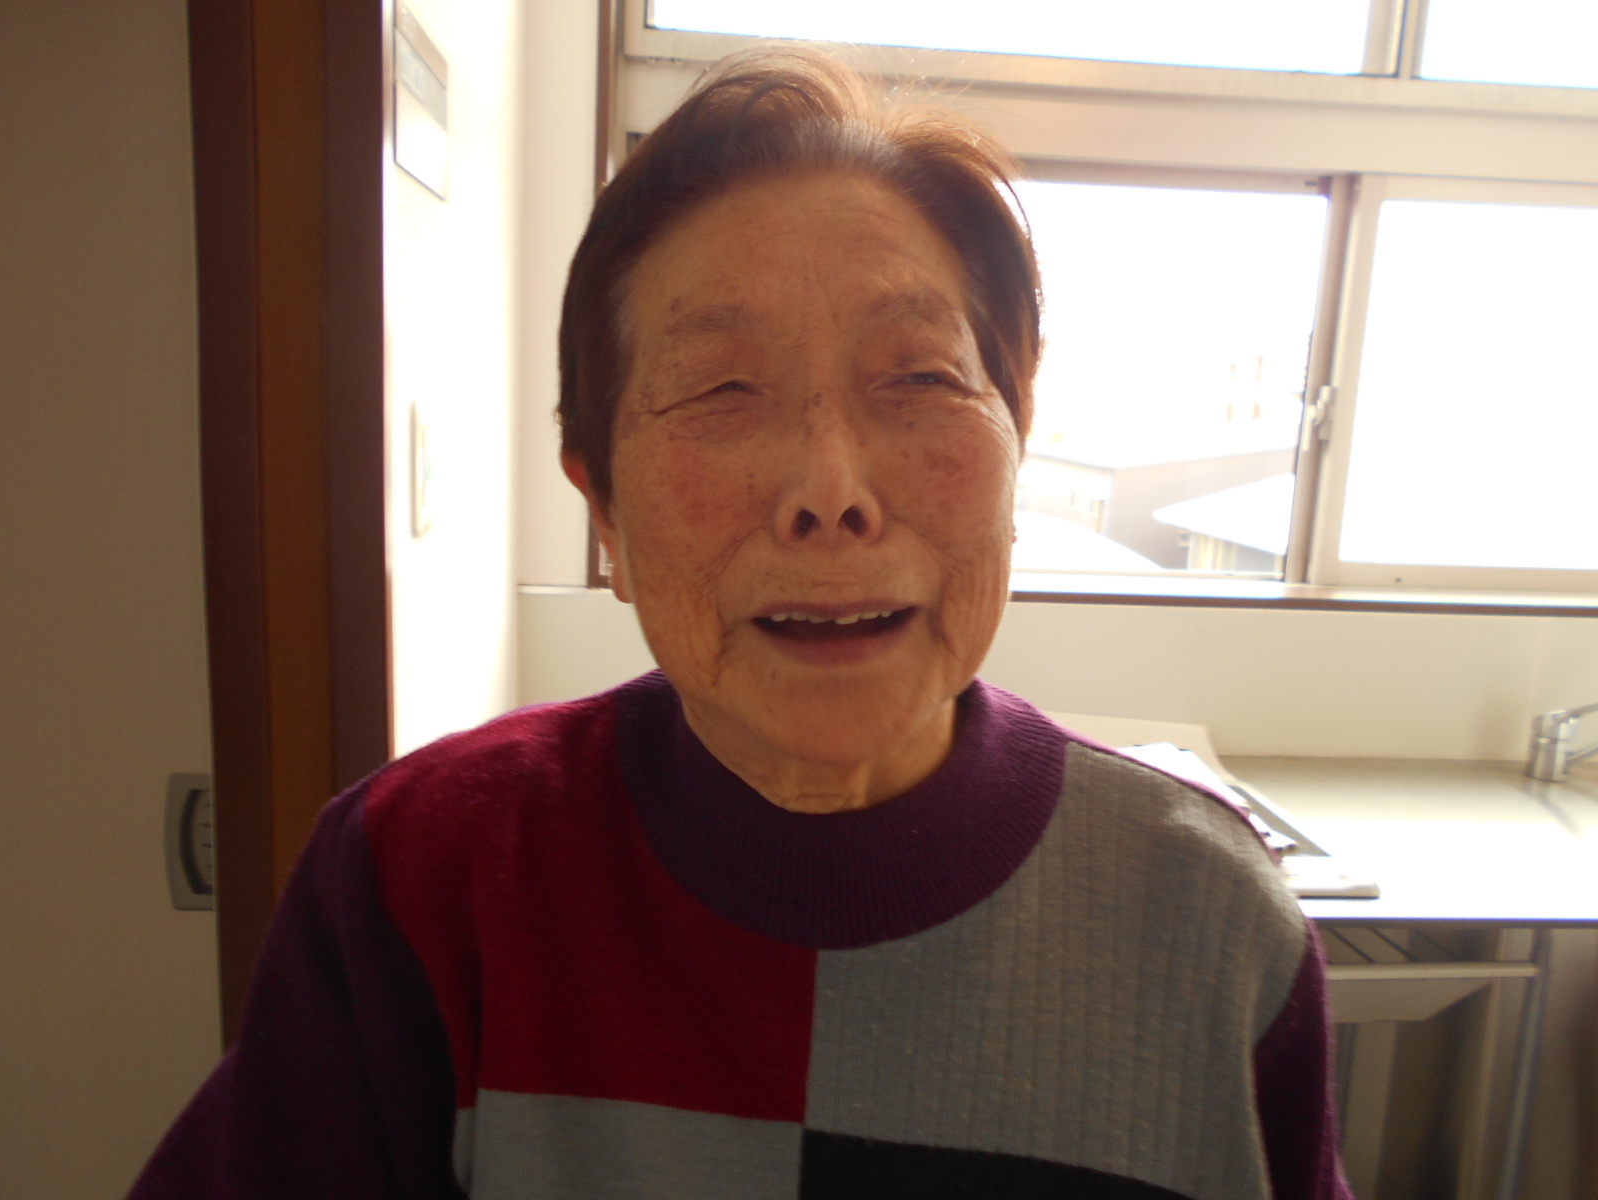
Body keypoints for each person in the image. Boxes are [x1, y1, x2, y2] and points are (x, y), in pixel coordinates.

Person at [131, 47, 1349, 1200]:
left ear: (1014, 450)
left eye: (920, 377)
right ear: (602, 511)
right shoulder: (421, 882)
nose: (830, 489)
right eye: (721, 389)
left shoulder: (1208, 920)